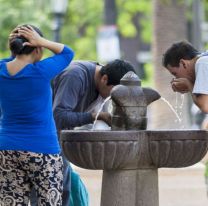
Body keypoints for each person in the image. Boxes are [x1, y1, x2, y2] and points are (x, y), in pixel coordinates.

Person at [0, 24, 74, 205]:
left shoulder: (1, 69)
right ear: (38, 49)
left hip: (6, 148)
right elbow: (67, 53)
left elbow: (13, 61)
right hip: (43, 151)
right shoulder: (41, 71)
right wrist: (41, 41)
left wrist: (17, 47)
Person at [52, 59, 136, 205]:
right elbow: (58, 116)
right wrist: (95, 116)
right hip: (39, 138)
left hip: (55, 138)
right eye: (114, 95)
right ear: (104, 79)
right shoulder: (75, 76)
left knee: (63, 189)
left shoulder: (101, 82)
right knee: (54, 191)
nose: (114, 100)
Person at [162, 40, 208, 113]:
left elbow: (205, 106)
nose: (176, 79)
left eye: (175, 74)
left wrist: (188, 84)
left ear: (183, 63)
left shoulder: (202, 63)